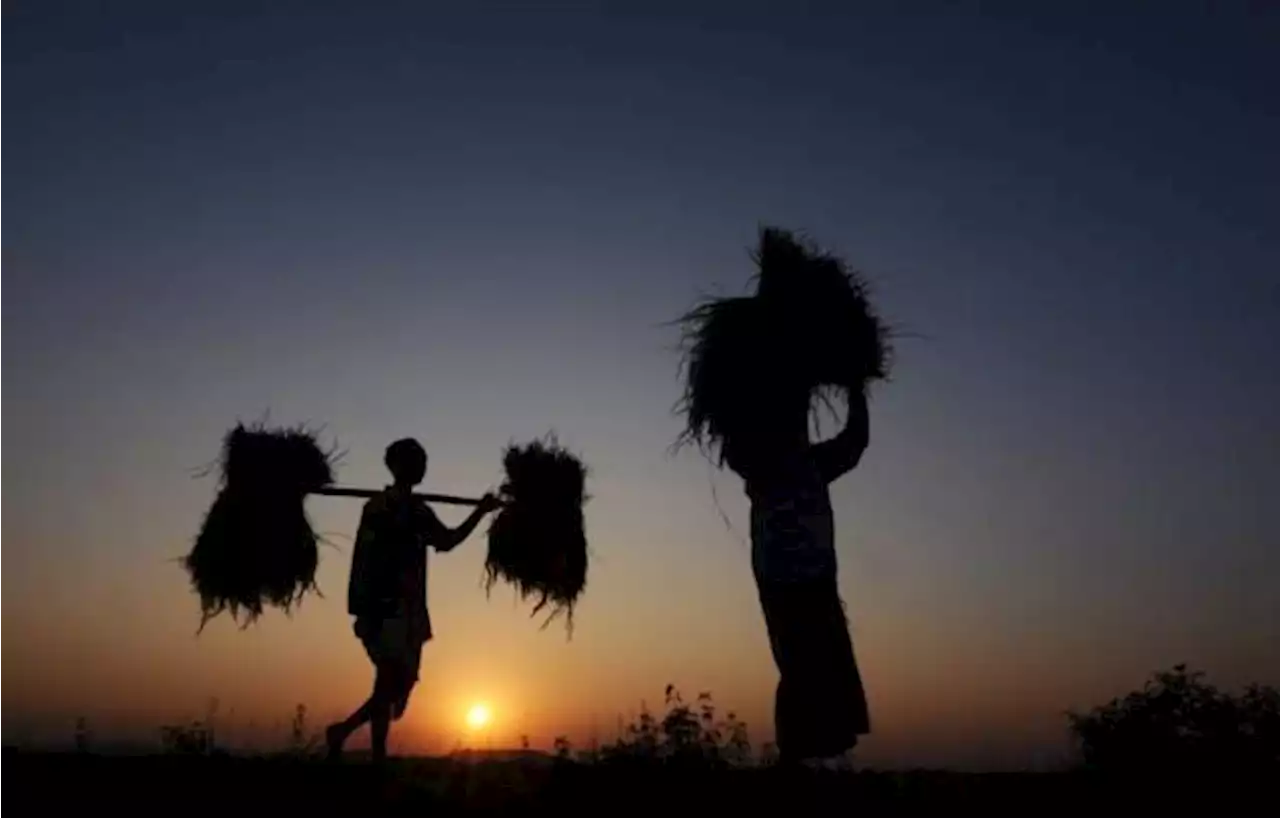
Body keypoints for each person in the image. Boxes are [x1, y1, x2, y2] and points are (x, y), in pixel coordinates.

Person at [325, 437, 500, 763]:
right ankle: (372, 752)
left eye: (423, 462)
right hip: (382, 606)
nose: (421, 468)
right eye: (414, 461)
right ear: (396, 466)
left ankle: (348, 735)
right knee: (390, 680)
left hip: (410, 609)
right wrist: (363, 610)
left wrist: (480, 512)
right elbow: (364, 560)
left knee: (394, 685)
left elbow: (446, 541)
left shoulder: (419, 510)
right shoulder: (379, 508)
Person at [722, 388, 872, 767]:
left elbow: (855, 442)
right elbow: (734, 447)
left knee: (825, 666)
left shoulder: (813, 462)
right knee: (799, 666)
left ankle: (812, 756)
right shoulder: (761, 466)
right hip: (784, 584)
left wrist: (857, 391)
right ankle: (795, 759)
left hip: (815, 579)